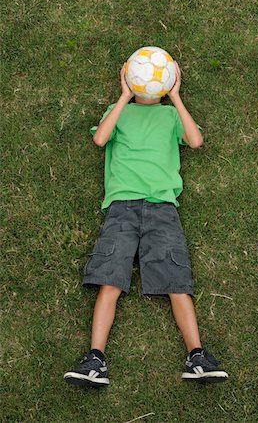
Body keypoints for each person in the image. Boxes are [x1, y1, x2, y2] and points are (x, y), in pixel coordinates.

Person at [64, 60, 229, 388]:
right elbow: (100, 140)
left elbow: (195, 141)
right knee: (110, 281)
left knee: (177, 283)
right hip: (122, 208)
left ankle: (196, 356)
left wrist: (177, 97)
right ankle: (94, 360)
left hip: (162, 209)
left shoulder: (170, 115)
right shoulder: (118, 110)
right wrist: (124, 97)